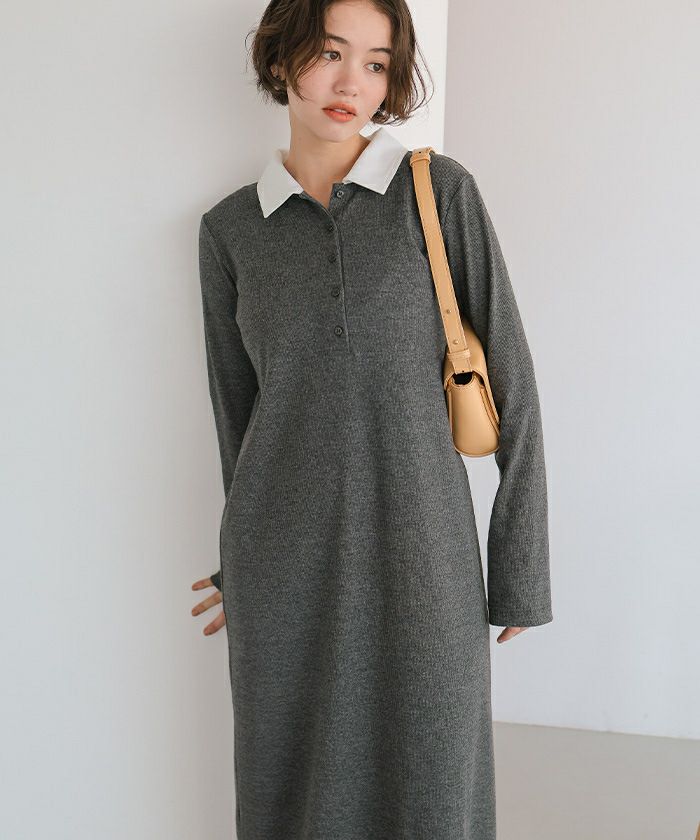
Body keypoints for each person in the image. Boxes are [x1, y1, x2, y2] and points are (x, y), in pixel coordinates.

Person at [190, 0, 553, 837]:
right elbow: (237, 419)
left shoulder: (438, 192)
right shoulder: (230, 233)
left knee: (435, 789)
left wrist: (520, 567)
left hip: (426, 558)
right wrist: (237, 564)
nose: (352, 82)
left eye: (377, 62)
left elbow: (516, 388)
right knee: (292, 794)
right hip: (285, 573)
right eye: (329, 53)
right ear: (280, 59)